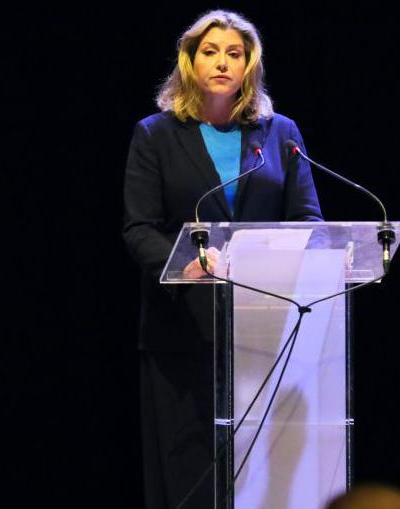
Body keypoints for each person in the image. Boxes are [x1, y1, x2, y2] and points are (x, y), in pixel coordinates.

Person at [122, 10, 322, 508]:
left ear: (249, 66)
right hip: (183, 332)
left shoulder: (280, 132)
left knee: (263, 472)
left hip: (268, 328)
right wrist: (184, 265)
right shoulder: (156, 134)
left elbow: (308, 222)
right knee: (190, 471)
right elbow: (139, 228)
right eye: (210, 51)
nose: (222, 63)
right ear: (189, 61)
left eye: (235, 54)